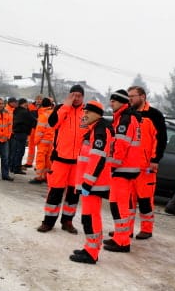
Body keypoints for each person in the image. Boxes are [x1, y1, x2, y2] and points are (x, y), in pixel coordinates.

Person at [69, 101, 113, 264]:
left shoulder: (100, 130)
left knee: (91, 218)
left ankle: (92, 252)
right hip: (91, 183)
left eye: (88, 112)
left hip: (93, 184)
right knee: (89, 217)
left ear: (97, 114)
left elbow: (97, 159)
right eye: (83, 112)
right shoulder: (96, 129)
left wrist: (88, 183)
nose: (84, 115)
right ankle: (90, 247)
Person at [37, 85, 85, 234]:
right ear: (69, 96)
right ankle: (48, 222)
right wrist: (66, 106)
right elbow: (53, 123)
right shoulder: (60, 108)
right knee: (55, 192)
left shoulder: (88, 112)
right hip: (60, 159)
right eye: (73, 95)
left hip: (78, 162)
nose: (76, 98)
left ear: (83, 97)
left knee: (73, 194)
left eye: (79, 95)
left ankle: (67, 221)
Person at [103, 89, 142, 254]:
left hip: (122, 169)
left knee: (120, 206)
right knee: (117, 204)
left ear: (122, 102)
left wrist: (112, 165)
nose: (111, 103)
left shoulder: (125, 119)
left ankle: (122, 241)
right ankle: (120, 236)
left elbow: (120, 145)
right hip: (125, 168)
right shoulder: (126, 117)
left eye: (114, 100)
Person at [127, 85, 167, 240]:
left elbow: (161, 139)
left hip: (146, 167)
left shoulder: (154, 115)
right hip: (129, 166)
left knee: (145, 200)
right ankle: (126, 229)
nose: (130, 99)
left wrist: (155, 159)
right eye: (129, 96)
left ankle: (147, 229)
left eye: (132, 96)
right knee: (128, 200)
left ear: (142, 96)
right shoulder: (129, 114)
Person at [30, 97, 55, 184]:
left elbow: (40, 130)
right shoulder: (53, 113)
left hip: (43, 141)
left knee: (40, 158)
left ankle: (39, 177)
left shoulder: (43, 114)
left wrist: (36, 141)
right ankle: (46, 176)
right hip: (51, 140)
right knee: (48, 159)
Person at [9, 98, 36, 175]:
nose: (27, 105)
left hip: (15, 133)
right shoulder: (24, 112)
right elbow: (33, 121)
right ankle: (17, 168)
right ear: (22, 104)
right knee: (20, 151)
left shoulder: (16, 111)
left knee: (15, 151)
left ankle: (12, 167)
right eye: (26, 103)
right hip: (22, 133)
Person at [25, 94, 43, 171]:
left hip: (40, 130)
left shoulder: (44, 107)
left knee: (40, 149)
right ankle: (29, 163)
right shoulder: (30, 106)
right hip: (32, 129)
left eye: (40, 99)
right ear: (35, 99)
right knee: (31, 147)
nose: (38, 100)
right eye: (37, 99)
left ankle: (38, 165)